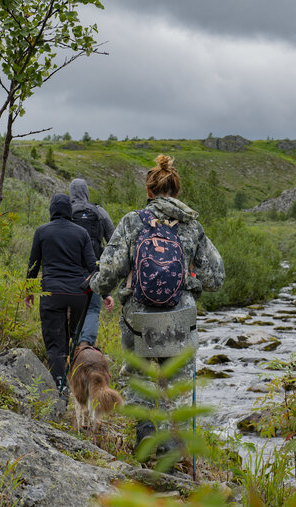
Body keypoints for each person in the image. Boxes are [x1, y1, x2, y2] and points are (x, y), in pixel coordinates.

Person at [90, 154, 224, 448]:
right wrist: (192, 285)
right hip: (181, 316)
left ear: (148, 192)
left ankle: (146, 431)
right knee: (177, 384)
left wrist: (94, 285)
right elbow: (216, 277)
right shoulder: (191, 226)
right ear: (177, 192)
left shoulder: (131, 222)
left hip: (138, 316)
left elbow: (109, 271)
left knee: (139, 375)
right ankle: (174, 447)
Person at [26, 193, 113, 398]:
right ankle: (79, 386)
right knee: (76, 342)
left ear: (52, 210)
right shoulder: (81, 233)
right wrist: (105, 293)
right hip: (78, 295)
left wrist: (29, 291)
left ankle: (60, 389)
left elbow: (33, 264)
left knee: (56, 346)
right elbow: (93, 266)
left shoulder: (42, 232)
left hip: (52, 293)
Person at [69, 178, 115, 346]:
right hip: (92, 272)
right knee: (93, 309)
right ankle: (85, 345)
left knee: (69, 311)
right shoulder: (99, 212)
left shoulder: (65, 211)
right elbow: (113, 240)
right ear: (87, 192)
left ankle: (70, 349)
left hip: (68, 273)